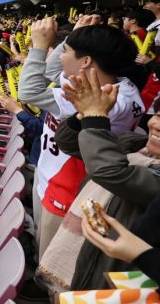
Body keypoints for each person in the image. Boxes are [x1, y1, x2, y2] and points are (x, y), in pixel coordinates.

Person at [18, 17, 143, 260]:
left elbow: (28, 90)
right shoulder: (112, 83)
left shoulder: (100, 98)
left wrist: (39, 46)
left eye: (65, 50)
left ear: (86, 62)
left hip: (68, 189)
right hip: (52, 176)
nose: (59, 55)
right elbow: (55, 71)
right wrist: (75, 35)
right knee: (43, 246)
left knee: (53, 265)